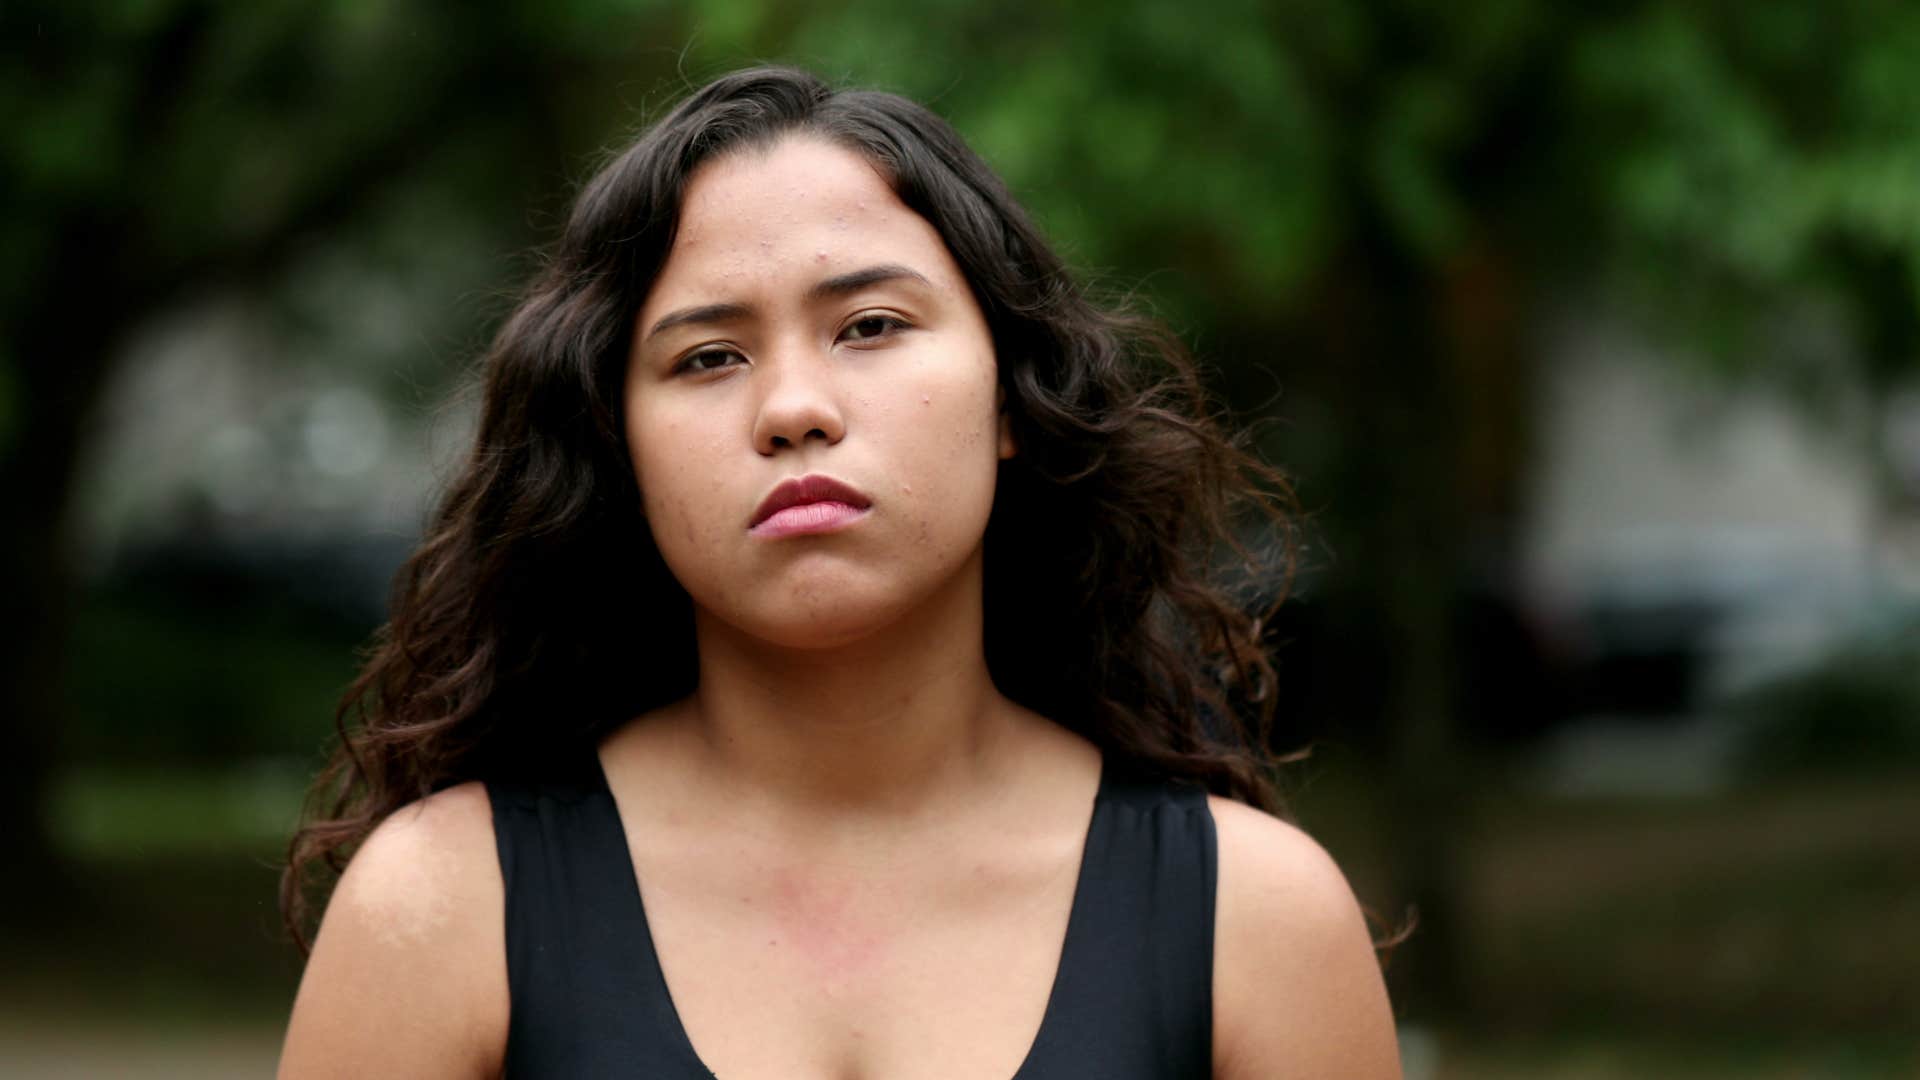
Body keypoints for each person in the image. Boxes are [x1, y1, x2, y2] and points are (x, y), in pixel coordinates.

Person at [277, 66, 1401, 1078]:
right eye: (708, 356)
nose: (794, 410)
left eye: (867, 325)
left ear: (1010, 396)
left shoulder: (1254, 921)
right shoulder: (441, 911)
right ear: (620, 447)